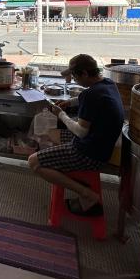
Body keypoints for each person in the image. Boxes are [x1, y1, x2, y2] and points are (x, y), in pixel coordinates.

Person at [28, 54, 124, 215]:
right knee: (51, 134)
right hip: (101, 146)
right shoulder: (107, 83)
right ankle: (61, 166)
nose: (73, 79)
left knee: (33, 161)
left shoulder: (91, 95)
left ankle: (86, 194)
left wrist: (61, 114)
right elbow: (84, 97)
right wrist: (69, 102)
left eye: (75, 76)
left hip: (90, 154)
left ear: (85, 73)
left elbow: (80, 131)